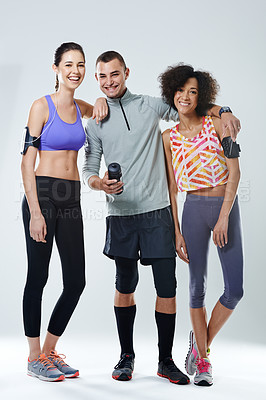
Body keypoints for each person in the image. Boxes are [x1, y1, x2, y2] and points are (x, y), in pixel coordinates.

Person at [82, 51, 241, 384]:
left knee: (167, 289)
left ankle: (167, 361)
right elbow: (89, 168)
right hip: (121, 214)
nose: (109, 81)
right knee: (124, 287)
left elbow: (189, 108)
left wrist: (223, 111)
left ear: (126, 72)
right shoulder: (94, 121)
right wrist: (99, 183)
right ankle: (126, 357)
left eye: (115, 74)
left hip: (158, 214)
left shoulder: (150, 105)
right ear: (97, 79)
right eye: (102, 77)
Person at [21, 42, 107, 382]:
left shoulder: (78, 106)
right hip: (42, 194)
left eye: (81, 65)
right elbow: (27, 163)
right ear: (56, 68)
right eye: (69, 64)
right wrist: (35, 213)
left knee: (76, 280)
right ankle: (32, 356)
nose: (76, 70)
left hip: (71, 197)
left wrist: (99, 101)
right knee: (38, 278)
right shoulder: (41, 107)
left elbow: (91, 108)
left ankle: (49, 350)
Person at [159, 63, 243, 386]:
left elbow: (234, 173)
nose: (185, 97)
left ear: (201, 96)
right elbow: (171, 187)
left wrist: (223, 216)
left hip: (225, 206)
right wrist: (176, 231)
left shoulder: (217, 122)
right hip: (192, 210)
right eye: (180, 91)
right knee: (197, 288)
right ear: (172, 93)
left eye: (193, 92)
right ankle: (204, 363)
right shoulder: (168, 137)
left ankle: (199, 345)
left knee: (234, 288)